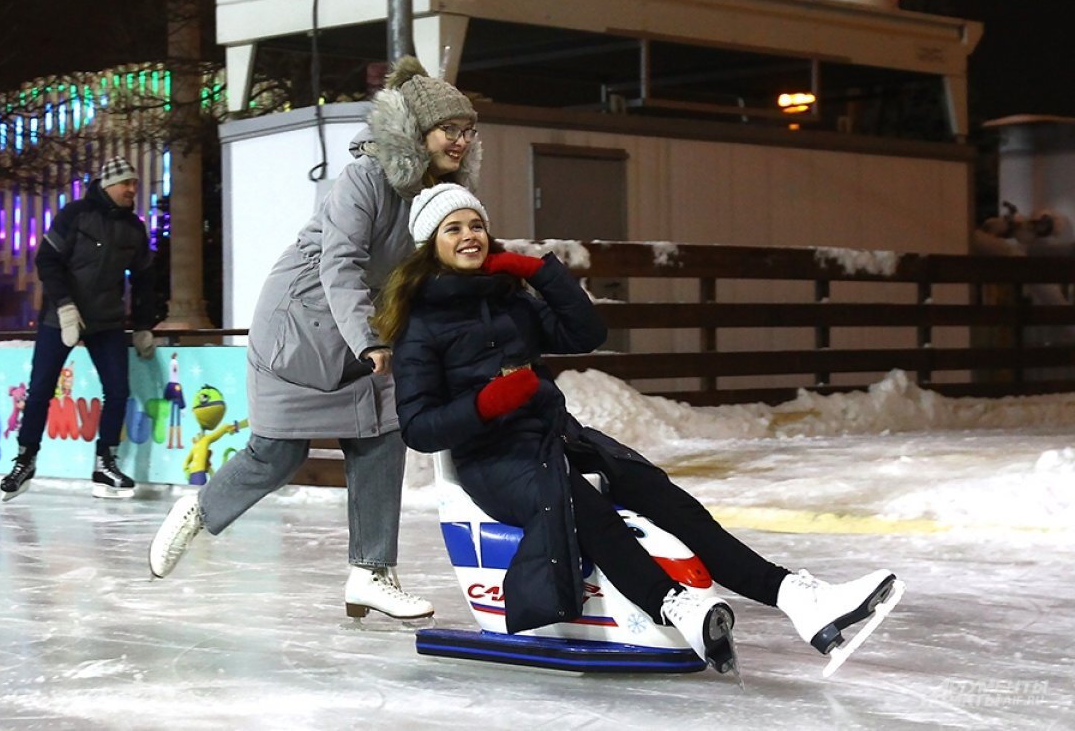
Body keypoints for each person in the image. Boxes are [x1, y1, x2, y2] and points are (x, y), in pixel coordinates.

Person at [374, 183, 900, 674]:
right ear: (430, 244)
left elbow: (586, 331)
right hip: (493, 463)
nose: (470, 236)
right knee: (585, 506)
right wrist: (489, 401)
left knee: (665, 498)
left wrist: (539, 272)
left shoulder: (508, 299)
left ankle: (798, 599)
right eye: (454, 228)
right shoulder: (421, 327)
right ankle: (675, 605)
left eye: (475, 225)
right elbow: (419, 428)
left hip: (555, 439)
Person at [147, 56, 482, 621]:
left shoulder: (437, 192)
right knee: (278, 453)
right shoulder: (365, 178)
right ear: (419, 131)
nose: (462, 140)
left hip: (366, 327)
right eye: (451, 129)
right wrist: (370, 340)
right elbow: (340, 264)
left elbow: (446, 263)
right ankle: (198, 510)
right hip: (302, 323)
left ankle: (371, 573)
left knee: (383, 434)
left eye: (468, 130)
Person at [0, 156, 161, 501]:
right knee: (41, 389)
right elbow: (46, 260)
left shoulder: (134, 228)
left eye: (135, 183)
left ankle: (105, 462)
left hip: (106, 321)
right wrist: (65, 306)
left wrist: (145, 324)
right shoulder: (74, 215)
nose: (133, 189)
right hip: (60, 318)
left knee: (118, 391)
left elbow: (146, 279)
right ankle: (25, 459)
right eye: (126, 183)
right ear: (108, 185)